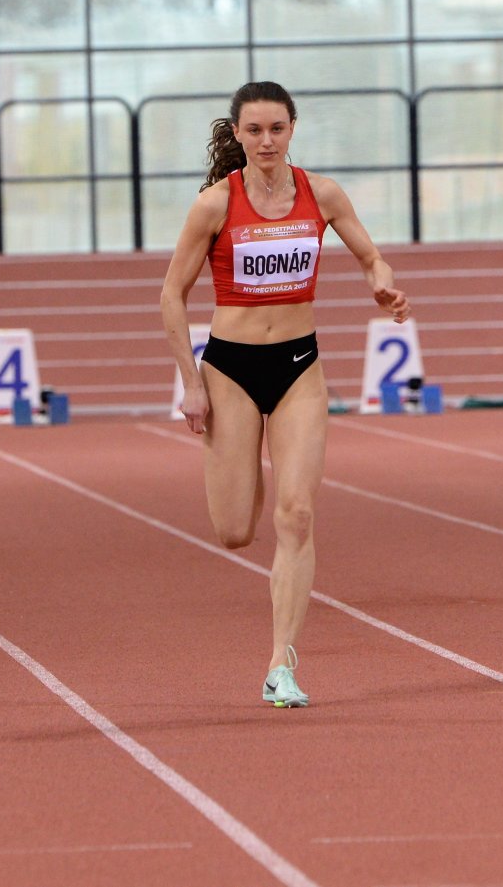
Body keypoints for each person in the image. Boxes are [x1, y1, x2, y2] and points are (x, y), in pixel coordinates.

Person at [160, 81, 410, 708]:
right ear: (238, 135)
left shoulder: (321, 194)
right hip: (231, 369)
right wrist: (191, 385)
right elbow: (171, 294)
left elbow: (371, 256)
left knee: (296, 515)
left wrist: (383, 284)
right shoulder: (215, 205)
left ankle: (281, 664)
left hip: (300, 366)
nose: (266, 141)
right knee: (235, 530)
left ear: (292, 129)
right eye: (254, 131)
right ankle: (249, 469)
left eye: (276, 129)